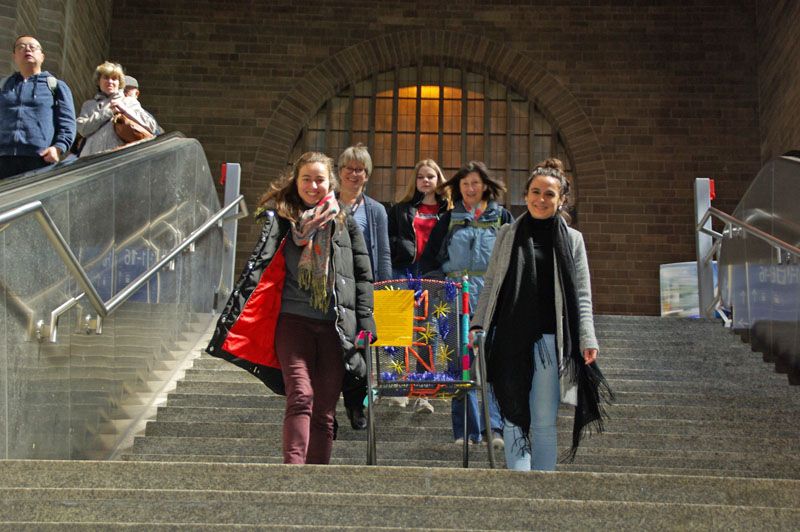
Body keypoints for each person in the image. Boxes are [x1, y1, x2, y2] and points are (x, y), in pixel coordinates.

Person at [206, 151, 376, 464]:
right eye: (306, 179)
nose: (313, 186)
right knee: (301, 395)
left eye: (319, 180)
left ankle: (315, 478)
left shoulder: (345, 221)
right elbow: (259, 270)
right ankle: (292, 472)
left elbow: (363, 278)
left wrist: (366, 325)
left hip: (336, 327)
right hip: (292, 322)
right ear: (295, 182)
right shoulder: (282, 220)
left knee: (325, 410)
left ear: (330, 183)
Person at [471, 158, 612, 471]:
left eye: (549, 194)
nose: (541, 199)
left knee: (544, 420)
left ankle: (543, 487)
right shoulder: (507, 234)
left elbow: (582, 294)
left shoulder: (572, 240)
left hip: (550, 339)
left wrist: (587, 337)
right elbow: (491, 283)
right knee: (512, 416)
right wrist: (478, 323)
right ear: (525, 195)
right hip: (509, 338)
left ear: (561, 200)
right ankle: (519, 484)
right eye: (535, 192)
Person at [420, 161, 513, 449]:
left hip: (491, 299)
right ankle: (466, 430)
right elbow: (429, 260)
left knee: (492, 365)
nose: (470, 189)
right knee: (459, 365)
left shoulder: (503, 218)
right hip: (454, 300)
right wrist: (440, 286)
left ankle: (494, 428)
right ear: (458, 188)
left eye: (475, 183)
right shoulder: (448, 219)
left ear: (485, 185)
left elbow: (514, 259)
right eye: (465, 184)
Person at [385, 158, 451, 414]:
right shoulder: (400, 209)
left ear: (438, 180)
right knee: (397, 330)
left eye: (430, 176)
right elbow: (388, 240)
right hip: (402, 271)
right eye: (421, 176)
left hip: (432, 274)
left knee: (426, 333)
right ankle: (398, 387)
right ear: (415, 180)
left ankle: (423, 393)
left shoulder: (449, 212)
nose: (425, 180)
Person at [337, 144, 391, 430]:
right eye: (349, 168)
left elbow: (383, 252)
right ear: (340, 171)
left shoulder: (376, 211)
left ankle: (356, 405)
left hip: (361, 290)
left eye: (360, 169)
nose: (354, 174)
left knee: (361, 348)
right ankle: (326, 409)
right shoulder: (327, 204)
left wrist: (385, 287)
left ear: (367, 175)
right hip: (333, 288)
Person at [0, 35, 76, 179]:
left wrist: (58, 148)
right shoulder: (4, 86)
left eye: (32, 47)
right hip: (3, 158)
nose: (27, 49)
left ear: (42, 56)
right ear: (14, 57)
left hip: (39, 158)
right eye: (21, 47)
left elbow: (67, 122)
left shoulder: (55, 86)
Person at [76, 62, 157, 157]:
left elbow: (151, 125)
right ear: (98, 81)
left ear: (120, 83)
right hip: (90, 160)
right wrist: (108, 112)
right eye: (106, 77)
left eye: (114, 79)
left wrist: (125, 110)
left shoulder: (129, 102)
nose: (110, 82)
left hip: (117, 159)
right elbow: (82, 129)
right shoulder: (89, 105)